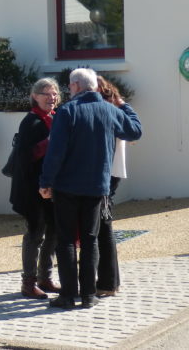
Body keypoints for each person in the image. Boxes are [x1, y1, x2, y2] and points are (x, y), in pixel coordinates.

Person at [40, 68, 142, 309]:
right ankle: (89, 295)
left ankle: (67, 296)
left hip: (67, 186)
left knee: (65, 241)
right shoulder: (109, 110)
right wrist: (124, 105)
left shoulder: (67, 111)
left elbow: (56, 152)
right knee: (90, 239)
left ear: (75, 86)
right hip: (97, 186)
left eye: (69, 86)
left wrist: (45, 182)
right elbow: (135, 130)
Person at [8, 78, 61, 299]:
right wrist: (51, 143)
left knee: (54, 231)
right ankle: (28, 282)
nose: (51, 98)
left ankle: (45, 277)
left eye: (54, 94)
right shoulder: (31, 122)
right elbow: (25, 157)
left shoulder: (55, 118)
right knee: (34, 233)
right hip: (32, 189)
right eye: (46, 94)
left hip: (51, 187)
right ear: (35, 96)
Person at [95, 76, 126, 297]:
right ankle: (109, 282)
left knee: (103, 227)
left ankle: (108, 283)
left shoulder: (107, 109)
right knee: (102, 225)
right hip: (111, 173)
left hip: (106, 174)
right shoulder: (116, 107)